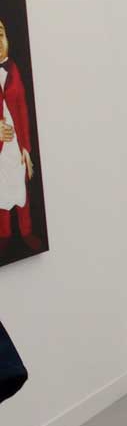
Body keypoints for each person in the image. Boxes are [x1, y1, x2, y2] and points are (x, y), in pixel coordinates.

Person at [0, 17, 39, 251]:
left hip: (16, 146)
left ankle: (26, 231)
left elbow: (23, 109)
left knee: (20, 186)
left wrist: (26, 147)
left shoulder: (14, 70)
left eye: (0, 34)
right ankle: (4, 235)